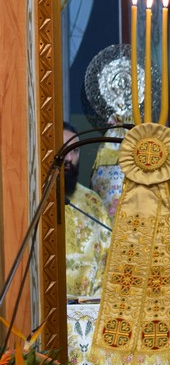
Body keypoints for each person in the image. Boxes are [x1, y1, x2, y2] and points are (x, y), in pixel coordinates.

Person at [62, 123, 112, 298]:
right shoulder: (33, 199)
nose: (69, 158)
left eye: (74, 151)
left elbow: (108, 254)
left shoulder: (91, 201)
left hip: (89, 303)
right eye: (64, 149)